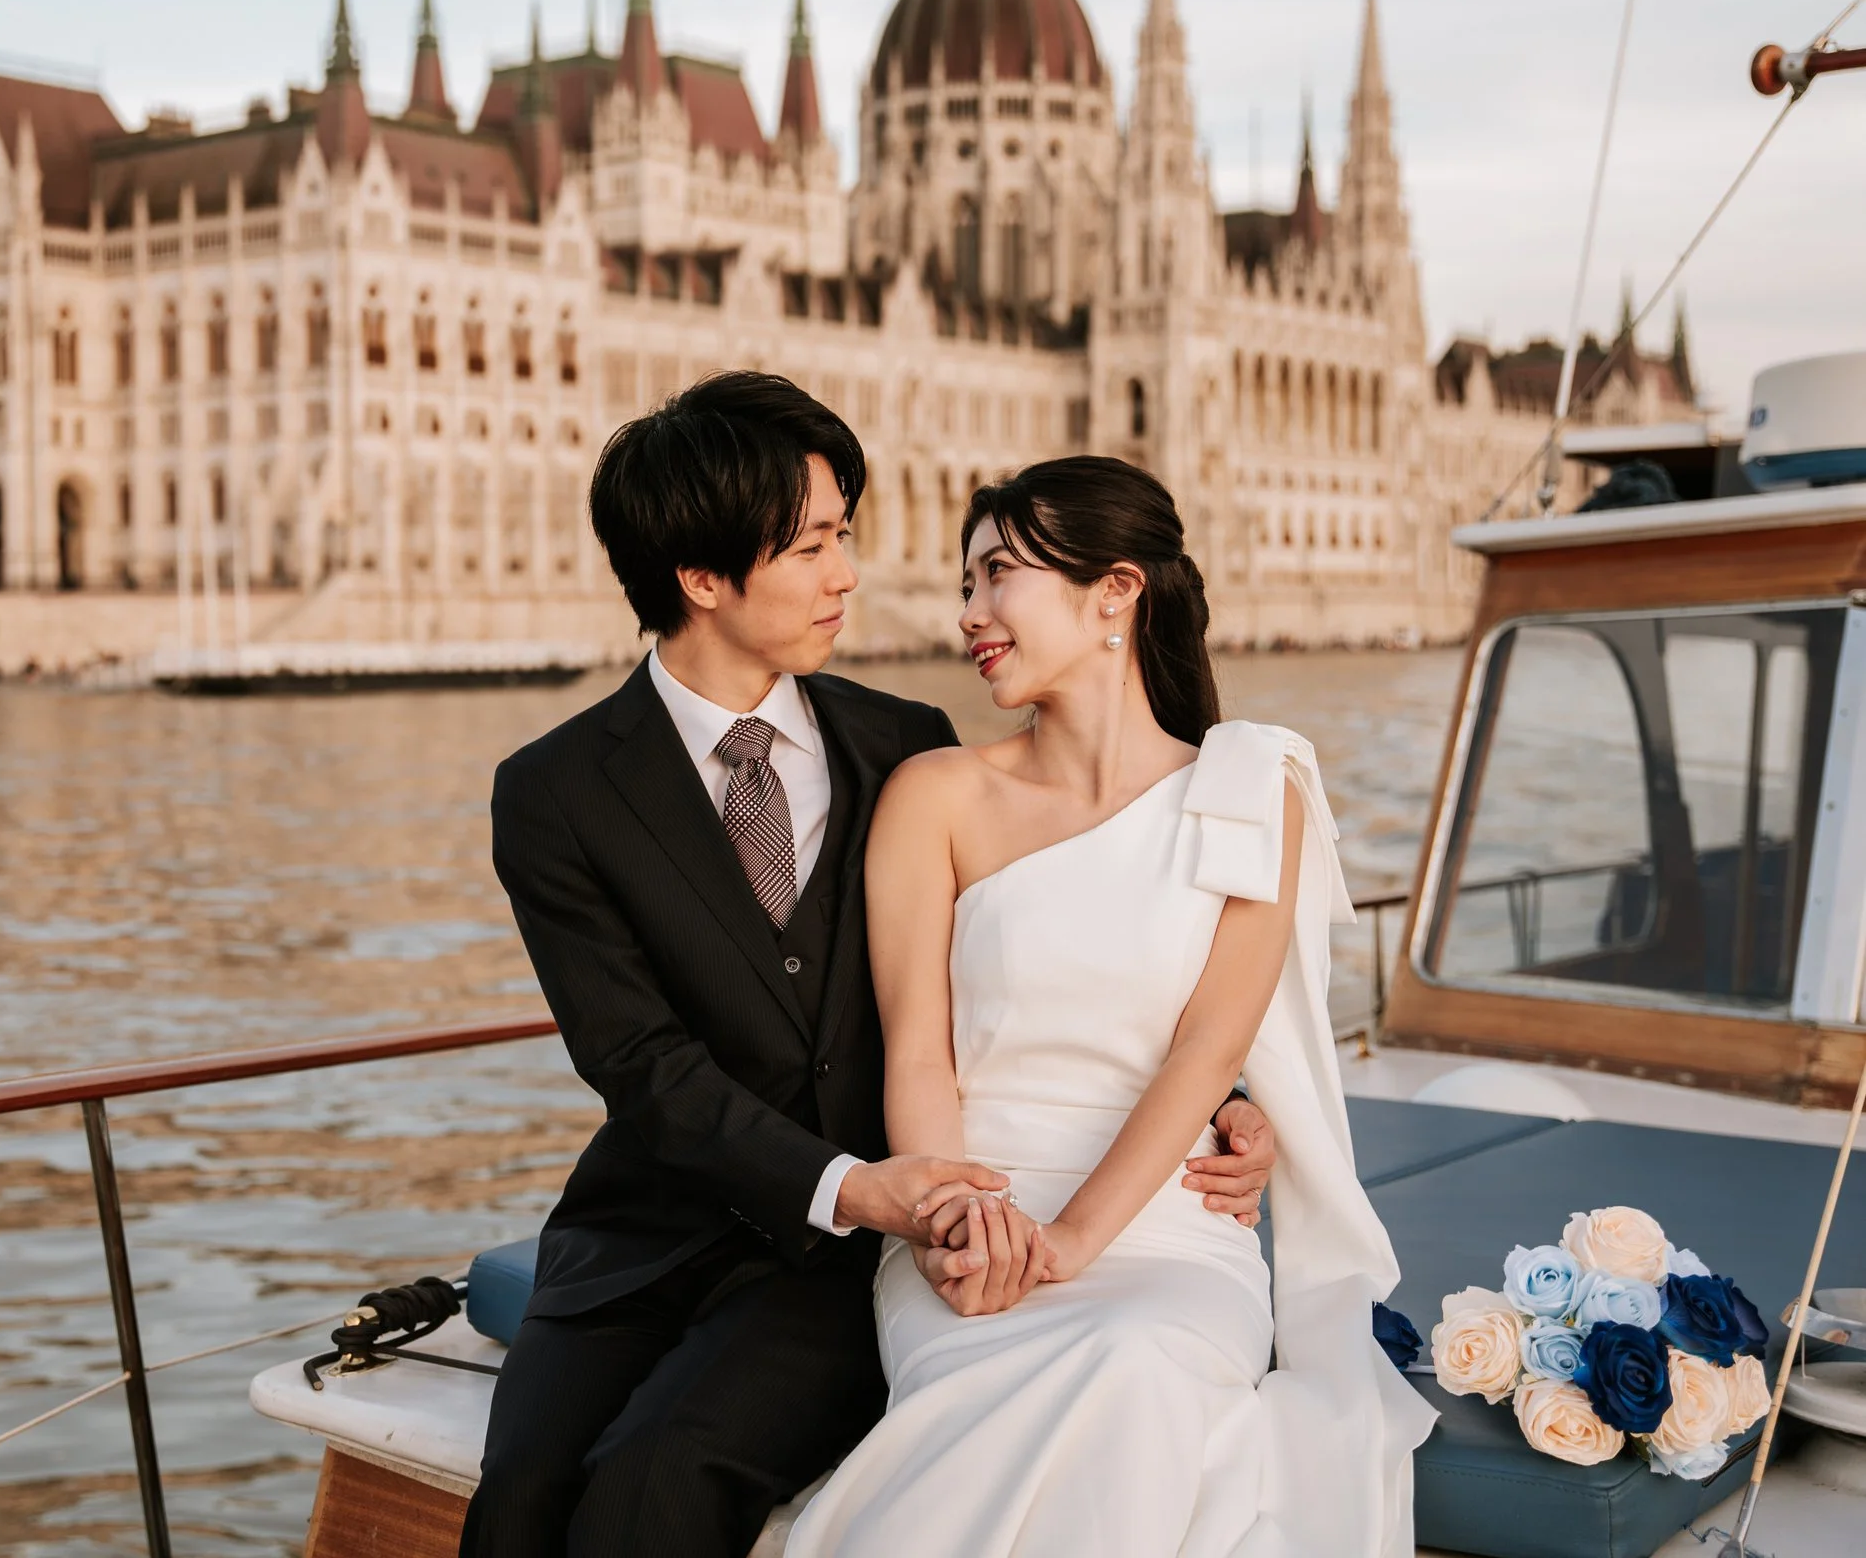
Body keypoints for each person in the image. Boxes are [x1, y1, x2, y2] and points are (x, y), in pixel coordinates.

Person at [464, 377, 1277, 1558]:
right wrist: (856, 1182)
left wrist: (1230, 1099)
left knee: (658, 1483)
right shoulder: (553, 793)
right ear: (700, 576)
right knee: (518, 1498)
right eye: (814, 544)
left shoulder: (898, 741)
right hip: (649, 1233)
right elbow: (642, 1067)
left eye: (843, 532)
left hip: (846, 1263)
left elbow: (1026, 971)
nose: (848, 571)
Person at [786, 457, 1435, 1557]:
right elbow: (922, 1056)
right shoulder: (935, 793)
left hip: (1168, 1229)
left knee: (1134, 1359)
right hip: (969, 1216)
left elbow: (1202, 1052)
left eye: (997, 575)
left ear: (1114, 592)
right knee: (1058, 1376)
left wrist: (1073, 1243)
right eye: (964, 583)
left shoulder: (1249, 788)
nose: (967, 613)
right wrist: (958, 1225)